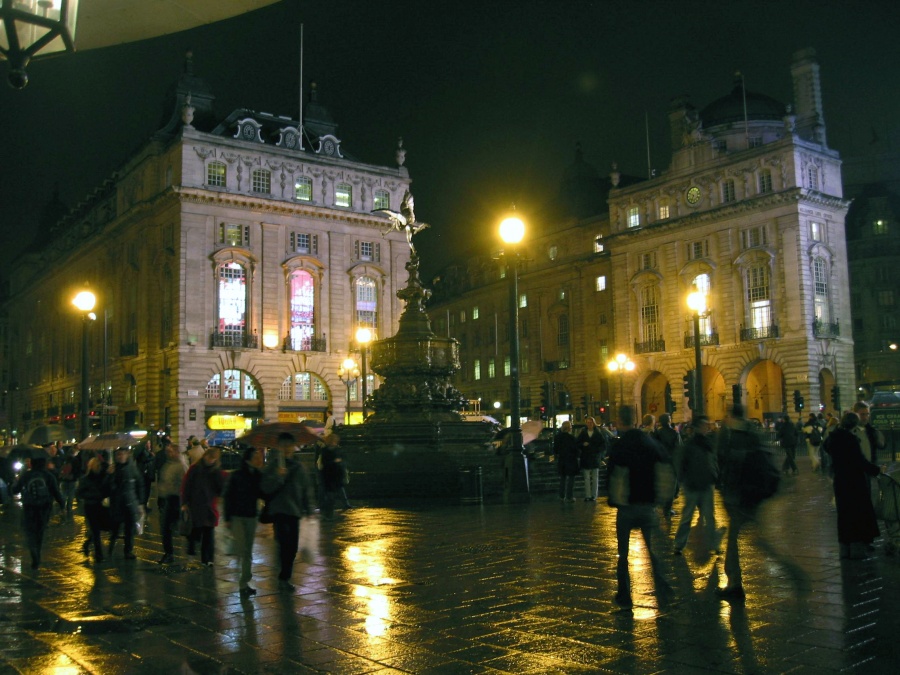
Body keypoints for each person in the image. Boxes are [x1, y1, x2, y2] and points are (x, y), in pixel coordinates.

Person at [716, 404, 807, 601]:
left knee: (733, 543)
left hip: (739, 498)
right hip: (756, 496)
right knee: (761, 541)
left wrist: (727, 491)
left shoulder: (734, 437)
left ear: (731, 416)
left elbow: (731, 468)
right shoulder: (755, 432)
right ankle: (792, 571)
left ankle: (734, 584)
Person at [606, 405, 672, 610]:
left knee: (623, 554)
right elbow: (665, 467)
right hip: (648, 505)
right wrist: (661, 498)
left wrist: (615, 499)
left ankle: (624, 597)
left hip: (626, 505)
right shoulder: (650, 442)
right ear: (635, 420)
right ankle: (664, 590)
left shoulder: (619, 446)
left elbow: (613, 475)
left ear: (619, 421)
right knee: (653, 551)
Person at [823, 412, 882, 559]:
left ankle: (845, 548)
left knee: (844, 515)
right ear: (854, 424)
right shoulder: (850, 440)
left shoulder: (834, 437)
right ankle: (857, 549)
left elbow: (826, 447)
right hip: (854, 481)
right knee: (857, 514)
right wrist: (876, 470)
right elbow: (859, 461)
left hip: (840, 480)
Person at [261, 432, 313, 592]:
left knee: (292, 547)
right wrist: (278, 476)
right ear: (279, 447)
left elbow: (306, 489)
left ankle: (285, 572)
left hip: (295, 511)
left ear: (293, 446)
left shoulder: (299, 467)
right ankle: (283, 578)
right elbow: (264, 488)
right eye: (283, 445)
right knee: (284, 544)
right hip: (279, 510)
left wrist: (309, 508)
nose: (286, 448)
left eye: (289, 445)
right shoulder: (273, 465)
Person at [672, 415, 721, 555]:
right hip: (694, 485)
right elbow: (682, 464)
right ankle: (680, 544)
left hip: (703, 483)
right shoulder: (693, 445)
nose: (707, 428)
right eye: (704, 425)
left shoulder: (704, 443)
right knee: (690, 516)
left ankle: (713, 544)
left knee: (707, 516)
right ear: (698, 427)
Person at [12, 454, 65, 569]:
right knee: (40, 532)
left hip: (29, 507)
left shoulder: (26, 475)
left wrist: (15, 483)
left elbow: (15, 490)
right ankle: (38, 553)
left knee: (30, 531)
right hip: (45, 507)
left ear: (32, 463)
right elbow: (56, 492)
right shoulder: (49, 475)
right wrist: (62, 505)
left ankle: (33, 552)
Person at [224, 446, 264, 596]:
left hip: (251, 516)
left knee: (247, 551)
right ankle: (243, 582)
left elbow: (264, 493)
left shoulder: (258, 475)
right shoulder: (237, 475)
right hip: (237, 516)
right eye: (255, 456)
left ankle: (245, 581)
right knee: (243, 550)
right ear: (248, 459)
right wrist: (227, 518)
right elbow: (228, 496)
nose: (258, 459)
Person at [181, 446, 226, 567]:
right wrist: (185, 502)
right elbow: (187, 485)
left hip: (209, 506)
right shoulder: (195, 469)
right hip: (196, 505)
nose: (211, 460)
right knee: (196, 531)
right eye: (210, 457)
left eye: (214, 459)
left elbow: (220, 488)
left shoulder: (216, 471)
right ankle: (192, 551)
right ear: (205, 455)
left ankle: (207, 559)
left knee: (209, 533)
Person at [106, 446, 144, 560]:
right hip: (117, 504)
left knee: (130, 528)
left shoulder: (132, 468)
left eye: (123, 454)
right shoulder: (113, 469)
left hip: (130, 502)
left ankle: (128, 551)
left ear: (127, 455)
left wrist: (140, 503)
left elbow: (140, 484)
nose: (121, 456)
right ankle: (111, 548)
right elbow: (108, 487)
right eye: (118, 454)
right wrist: (110, 475)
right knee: (115, 528)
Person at [156, 439, 188, 564]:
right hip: (168, 499)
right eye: (168, 452)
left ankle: (170, 553)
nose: (169, 453)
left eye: (172, 451)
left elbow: (185, 484)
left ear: (177, 452)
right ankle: (169, 553)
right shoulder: (168, 464)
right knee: (167, 528)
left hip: (176, 500)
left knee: (167, 527)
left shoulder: (181, 465)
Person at [76, 455, 110, 563]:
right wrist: (92, 495)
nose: (97, 467)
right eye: (95, 465)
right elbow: (79, 493)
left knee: (101, 528)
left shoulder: (102, 476)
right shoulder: (85, 479)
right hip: (90, 507)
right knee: (96, 530)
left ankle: (87, 543)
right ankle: (99, 554)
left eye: (98, 465)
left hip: (100, 506)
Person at [654, 413, 681, 517]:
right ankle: (667, 509)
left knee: (660, 485)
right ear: (669, 421)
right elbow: (679, 449)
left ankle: (658, 506)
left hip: (660, 462)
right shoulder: (674, 433)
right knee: (671, 487)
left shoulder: (657, 433)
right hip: (671, 463)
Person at [577, 417, 606, 502]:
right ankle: (588, 495)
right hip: (586, 457)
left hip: (594, 457)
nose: (589, 424)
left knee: (595, 477)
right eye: (588, 422)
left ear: (593, 423)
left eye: (591, 422)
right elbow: (577, 443)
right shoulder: (583, 433)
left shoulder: (598, 433)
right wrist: (583, 444)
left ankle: (594, 495)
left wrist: (597, 451)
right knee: (586, 477)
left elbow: (603, 445)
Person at [554, 421, 580, 502]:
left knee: (563, 478)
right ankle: (569, 496)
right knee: (571, 479)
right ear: (569, 428)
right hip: (571, 460)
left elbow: (555, 449)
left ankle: (561, 495)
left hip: (562, 460)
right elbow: (576, 450)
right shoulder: (572, 438)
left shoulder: (557, 437)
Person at [57, 444, 81, 523]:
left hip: (64, 480)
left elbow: (60, 469)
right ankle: (69, 509)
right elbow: (77, 471)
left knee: (64, 494)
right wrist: (75, 477)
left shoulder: (64, 459)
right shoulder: (75, 460)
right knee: (71, 495)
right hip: (72, 480)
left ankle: (62, 508)